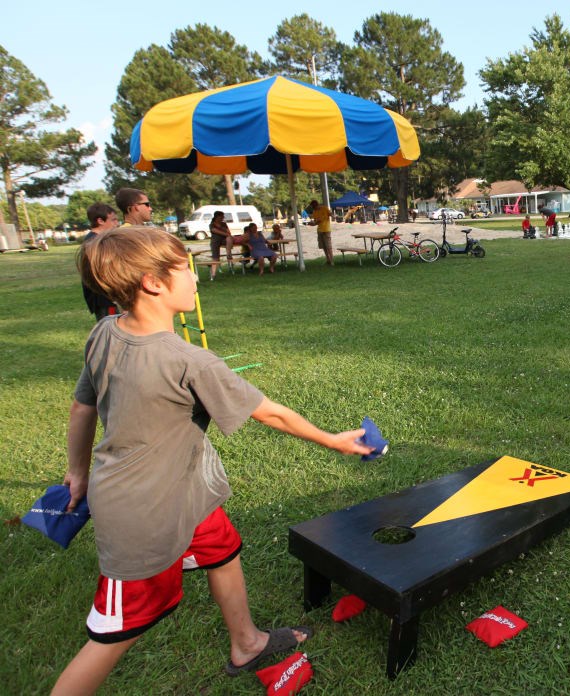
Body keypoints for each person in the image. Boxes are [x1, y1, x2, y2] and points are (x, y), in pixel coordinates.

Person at [52, 227, 374, 695]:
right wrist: (333, 440)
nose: (196, 277)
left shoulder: (104, 331)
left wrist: (77, 471)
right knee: (116, 632)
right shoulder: (189, 361)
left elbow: (82, 407)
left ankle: (247, 643)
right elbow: (272, 414)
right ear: (153, 283)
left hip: (187, 492)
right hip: (144, 515)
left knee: (221, 549)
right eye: (186, 268)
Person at [81, 203, 120, 320]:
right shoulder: (95, 242)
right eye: (113, 220)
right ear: (100, 221)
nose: (117, 224)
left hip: (108, 298)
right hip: (105, 300)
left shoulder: (98, 240)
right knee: (112, 333)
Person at [207, 211, 233, 281]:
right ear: (217, 217)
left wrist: (226, 233)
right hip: (215, 241)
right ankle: (213, 274)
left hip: (224, 240)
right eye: (222, 216)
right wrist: (226, 234)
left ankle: (228, 253)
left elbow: (229, 232)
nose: (223, 218)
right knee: (215, 258)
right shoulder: (212, 224)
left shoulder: (224, 224)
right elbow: (215, 231)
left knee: (229, 238)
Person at [307, 199, 333, 266]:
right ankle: (328, 260)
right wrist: (312, 223)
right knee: (324, 246)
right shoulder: (314, 212)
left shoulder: (325, 208)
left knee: (329, 246)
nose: (314, 208)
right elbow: (316, 222)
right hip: (320, 230)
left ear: (317, 204)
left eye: (314, 206)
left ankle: (332, 261)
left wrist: (331, 214)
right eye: (313, 207)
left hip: (326, 230)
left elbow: (330, 214)